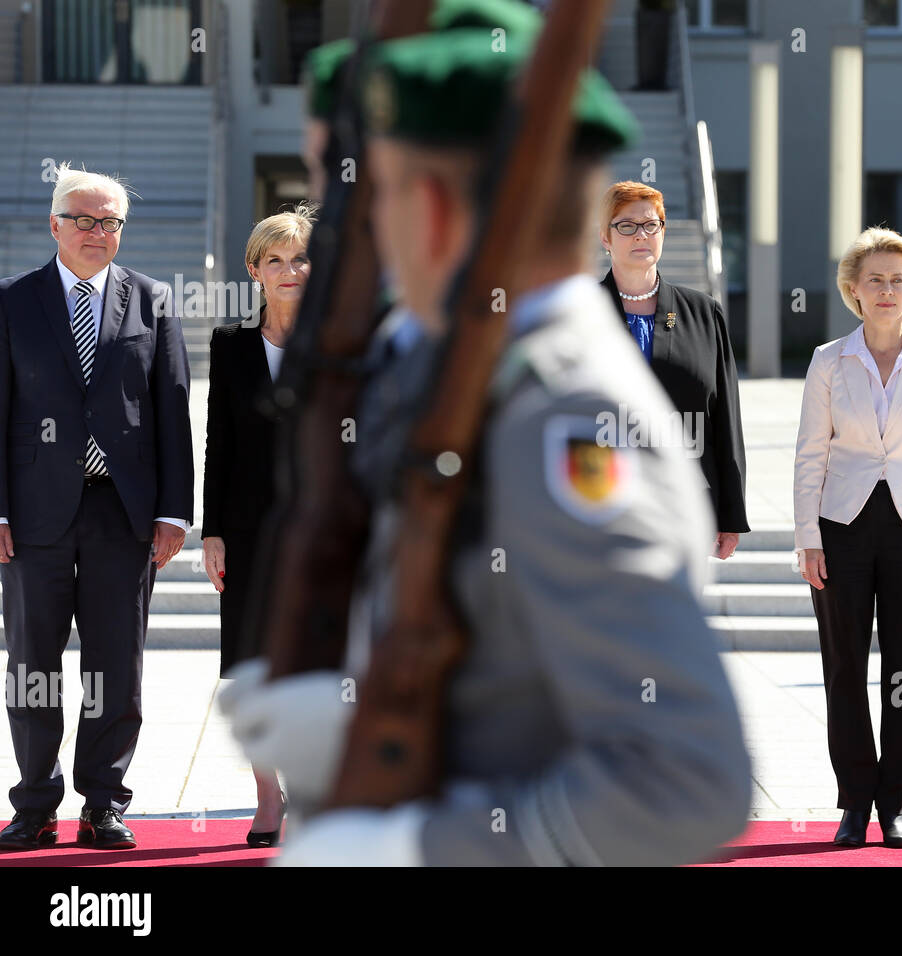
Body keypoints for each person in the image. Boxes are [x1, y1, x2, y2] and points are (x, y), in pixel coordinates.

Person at [221, 0, 753, 867]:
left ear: (428, 208)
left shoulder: (563, 413)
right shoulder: (472, 368)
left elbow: (684, 780)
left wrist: (421, 847)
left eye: (375, 196)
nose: (360, 230)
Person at [0, 164, 193, 852]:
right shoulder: (13, 302)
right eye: (82, 218)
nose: (96, 231)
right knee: (31, 665)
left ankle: (104, 803)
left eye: (109, 221)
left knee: (116, 666)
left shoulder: (153, 301)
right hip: (31, 519)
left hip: (123, 515)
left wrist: (175, 511)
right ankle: (34, 804)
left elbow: (172, 411)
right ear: (54, 224)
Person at [794, 227, 902, 849]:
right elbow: (811, 452)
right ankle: (853, 803)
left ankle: (894, 803)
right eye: (876, 280)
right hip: (842, 527)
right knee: (844, 668)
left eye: (899, 280)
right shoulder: (827, 361)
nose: (888, 290)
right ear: (854, 291)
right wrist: (807, 537)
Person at [201, 205, 316, 846]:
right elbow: (219, 443)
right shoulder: (230, 347)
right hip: (248, 532)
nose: (290, 269)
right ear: (255, 271)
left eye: (300, 258)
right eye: (275, 259)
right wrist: (212, 529)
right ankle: (268, 797)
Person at [598, 181, 749, 557]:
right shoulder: (581, 312)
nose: (641, 235)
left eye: (651, 224)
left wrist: (730, 514)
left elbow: (725, 416)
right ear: (605, 237)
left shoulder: (703, 312)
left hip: (684, 499)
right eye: (627, 226)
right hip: (601, 499)